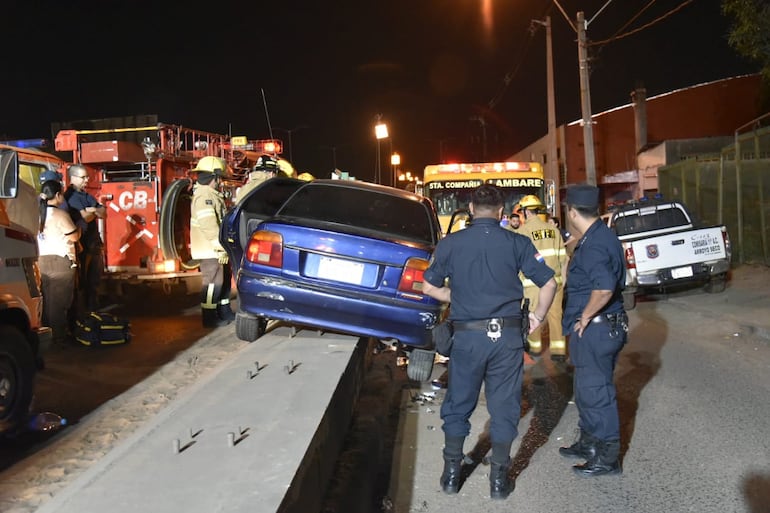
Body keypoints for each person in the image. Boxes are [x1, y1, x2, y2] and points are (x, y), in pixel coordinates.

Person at [422, 184, 557, 500]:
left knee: (457, 406)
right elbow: (549, 283)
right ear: (500, 212)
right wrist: (537, 316)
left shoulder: (450, 244)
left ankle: (451, 476)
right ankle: (498, 481)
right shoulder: (517, 242)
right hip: (506, 339)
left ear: (470, 210)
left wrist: (457, 295)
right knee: (505, 407)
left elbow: (428, 288)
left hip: (467, 338)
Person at [559, 184, 628, 476]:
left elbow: (603, 287)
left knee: (597, 392)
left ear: (572, 212)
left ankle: (608, 457)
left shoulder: (596, 244)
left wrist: (585, 316)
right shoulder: (597, 236)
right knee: (586, 390)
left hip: (597, 329)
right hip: (600, 328)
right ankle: (588, 442)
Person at [516, 195, 568, 361]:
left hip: (532, 284)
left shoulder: (522, 232)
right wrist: (563, 280)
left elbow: (519, 261)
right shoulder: (553, 230)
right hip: (556, 281)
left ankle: (535, 348)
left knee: (533, 315)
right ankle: (558, 351)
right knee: (556, 316)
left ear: (525, 212)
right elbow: (563, 258)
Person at [190, 156, 234, 327]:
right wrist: (219, 247)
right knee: (212, 284)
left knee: (222, 280)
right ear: (213, 177)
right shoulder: (204, 196)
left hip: (215, 248)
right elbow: (209, 225)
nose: (220, 182)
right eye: (219, 178)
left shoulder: (211, 194)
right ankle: (209, 317)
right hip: (210, 249)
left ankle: (224, 311)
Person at [38, 180, 81, 348]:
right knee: (60, 302)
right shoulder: (60, 215)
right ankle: (59, 338)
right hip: (60, 261)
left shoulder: (37, 214)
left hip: (42, 261)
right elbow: (73, 237)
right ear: (57, 195)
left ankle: (47, 336)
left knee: (46, 301)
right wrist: (79, 229)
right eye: (61, 193)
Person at [64, 163, 106, 313]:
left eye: (87, 176)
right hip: (83, 246)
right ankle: (85, 314)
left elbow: (103, 213)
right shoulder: (70, 197)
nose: (87, 180)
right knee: (84, 282)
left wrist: (92, 210)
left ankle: (93, 311)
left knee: (95, 280)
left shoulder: (86, 195)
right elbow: (86, 218)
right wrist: (94, 211)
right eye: (83, 177)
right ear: (72, 178)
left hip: (94, 244)